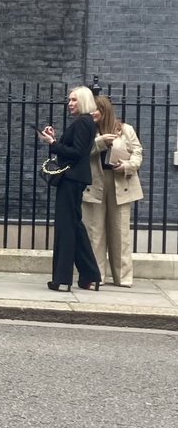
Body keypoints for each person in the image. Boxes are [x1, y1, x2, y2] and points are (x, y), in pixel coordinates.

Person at [38, 85, 102, 293]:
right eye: (69, 100)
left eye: (74, 100)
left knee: (66, 228)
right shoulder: (84, 122)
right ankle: (90, 276)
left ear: (83, 101)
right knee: (74, 226)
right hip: (74, 178)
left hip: (72, 179)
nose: (70, 103)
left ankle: (63, 279)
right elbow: (73, 148)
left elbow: (76, 153)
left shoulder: (84, 122)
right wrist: (55, 139)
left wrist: (53, 143)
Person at [82, 94, 144, 287]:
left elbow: (138, 153)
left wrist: (126, 165)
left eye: (96, 109)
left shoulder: (125, 130)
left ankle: (123, 278)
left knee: (120, 232)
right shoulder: (88, 130)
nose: (92, 113)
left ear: (105, 110)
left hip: (120, 182)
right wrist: (100, 142)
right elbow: (81, 152)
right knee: (95, 232)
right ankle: (96, 275)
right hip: (95, 183)